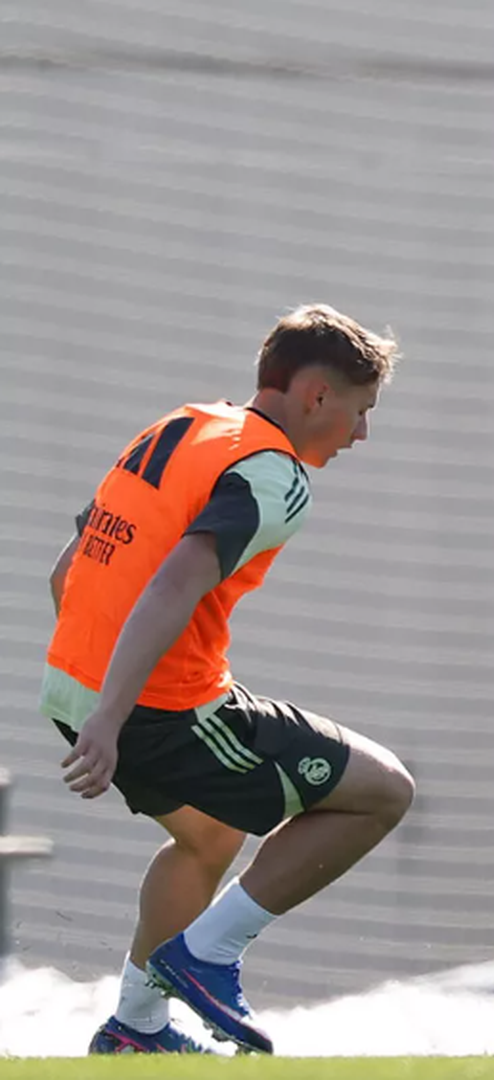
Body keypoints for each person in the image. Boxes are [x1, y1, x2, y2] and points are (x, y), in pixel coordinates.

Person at [46, 305, 415, 1055]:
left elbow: (70, 568)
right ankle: (206, 956)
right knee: (383, 791)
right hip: (150, 705)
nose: (360, 435)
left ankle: (136, 1029)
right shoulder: (274, 474)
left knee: (210, 836)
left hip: (71, 684)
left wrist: (93, 694)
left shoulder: (179, 425)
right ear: (316, 396)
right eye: (359, 411)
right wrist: (116, 716)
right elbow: (177, 581)